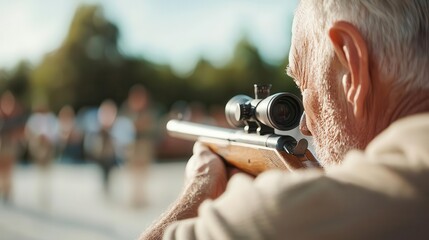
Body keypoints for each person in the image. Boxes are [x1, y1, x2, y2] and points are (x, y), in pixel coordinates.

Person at [140, 1, 429, 239]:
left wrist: (201, 186)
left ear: (352, 67)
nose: (304, 125)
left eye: (305, 85)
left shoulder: (279, 211)